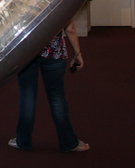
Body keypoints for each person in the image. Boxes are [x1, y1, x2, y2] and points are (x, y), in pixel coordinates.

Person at [8, 19, 89, 153]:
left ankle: (23, 140)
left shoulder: (23, 4)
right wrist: (77, 53)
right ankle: (68, 142)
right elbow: (70, 29)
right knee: (57, 97)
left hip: (27, 50)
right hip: (54, 51)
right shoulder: (59, 3)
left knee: (27, 96)